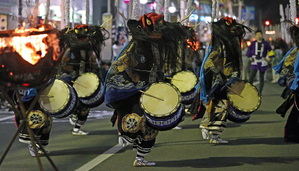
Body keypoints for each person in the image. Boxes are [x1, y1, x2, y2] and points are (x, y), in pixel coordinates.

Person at [105, 12, 198, 166]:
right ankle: (125, 132)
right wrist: (136, 81)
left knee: (152, 126)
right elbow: (122, 66)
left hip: (154, 88)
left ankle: (140, 158)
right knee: (138, 120)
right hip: (136, 91)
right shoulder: (135, 46)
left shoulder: (159, 46)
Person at [189, 17, 250, 144]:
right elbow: (208, 65)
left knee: (221, 106)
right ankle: (208, 128)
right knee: (219, 105)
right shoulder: (218, 48)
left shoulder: (228, 47)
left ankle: (213, 133)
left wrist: (232, 75)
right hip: (216, 81)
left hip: (224, 81)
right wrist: (219, 76)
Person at [59, 24, 108, 135]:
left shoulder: (88, 51)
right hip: (71, 79)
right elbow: (63, 65)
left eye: (85, 38)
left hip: (84, 80)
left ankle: (77, 128)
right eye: (82, 38)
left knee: (86, 105)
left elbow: (94, 65)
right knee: (72, 99)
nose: (84, 40)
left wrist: (98, 78)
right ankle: (72, 112)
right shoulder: (69, 50)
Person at [273, 24, 299, 143]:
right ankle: (290, 134)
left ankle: (291, 134)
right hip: (296, 84)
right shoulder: (294, 52)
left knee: (296, 110)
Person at [246, 30, 273, 94]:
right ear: (255, 36)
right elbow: (249, 51)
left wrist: (269, 57)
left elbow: (270, 50)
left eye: (260, 34)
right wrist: (250, 56)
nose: (259, 36)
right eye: (257, 35)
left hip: (262, 61)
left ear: (262, 35)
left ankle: (259, 93)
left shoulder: (265, 43)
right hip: (255, 61)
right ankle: (249, 92)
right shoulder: (253, 43)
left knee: (261, 78)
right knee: (251, 78)